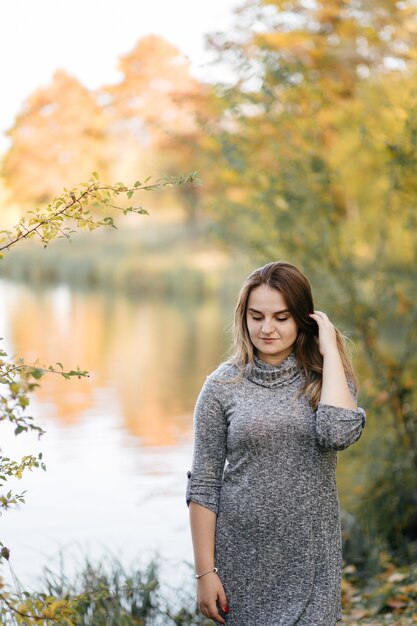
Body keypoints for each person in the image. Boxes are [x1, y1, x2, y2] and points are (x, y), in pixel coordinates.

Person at [186, 261, 366, 626]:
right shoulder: (222, 387)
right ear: (244, 317)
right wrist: (205, 573)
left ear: (303, 319)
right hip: (242, 561)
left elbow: (337, 434)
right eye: (257, 316)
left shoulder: (326, 379)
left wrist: (330, 351)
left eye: (281, 317)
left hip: (312, 561)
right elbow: (204, 484)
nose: (267, 329)